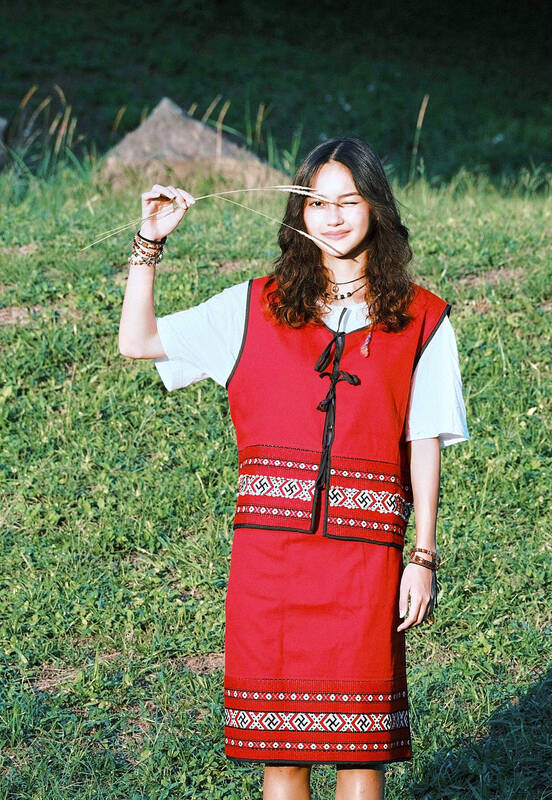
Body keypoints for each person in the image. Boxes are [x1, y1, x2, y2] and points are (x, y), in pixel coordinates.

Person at [118, 137, 469, 800]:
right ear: (298, 213)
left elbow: (425, 439)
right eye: (317, 203)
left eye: (349, 201)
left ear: (377, 207)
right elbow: (137, 341)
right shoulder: (252, 306)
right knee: (282, 755)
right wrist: (149, 243)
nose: (332, 217)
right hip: (270, 567)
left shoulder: (423, 319)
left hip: (366, 562)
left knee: (361, 753)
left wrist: (421, 557)